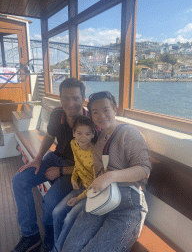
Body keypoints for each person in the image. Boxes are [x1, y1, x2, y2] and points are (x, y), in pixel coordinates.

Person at [61, 91, 152, 252]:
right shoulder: (99, 142)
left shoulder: (129, 133)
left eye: (106, 110)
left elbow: (144, 170)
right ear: (91, 116)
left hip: (128, 206)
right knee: (69, 247)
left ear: (115, 110)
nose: (101, 115)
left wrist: (111, 176)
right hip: (102, 201)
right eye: (95, 112)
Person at [11, 78, 91, 252]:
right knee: (19, 180)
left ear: (84, 98)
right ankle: (30, 235)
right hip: (54, 158)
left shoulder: (91, 123)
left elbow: (90, 165)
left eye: (76, 98)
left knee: (50, 203)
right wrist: (38, 158)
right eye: (65, 98)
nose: (71, 104)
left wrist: (61, 171)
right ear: (60, 99)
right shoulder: (57, 114)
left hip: (75, 169)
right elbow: (49, 136)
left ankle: (49, 240)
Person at [52, 115, 96, 252]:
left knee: (68, 219)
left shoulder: (95, 154)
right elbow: (77, 164)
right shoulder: (74, 143)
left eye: (88, 134)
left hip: (92, 192)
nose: (83, 137)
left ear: (93, 135)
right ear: (73, 133)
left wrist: (79, 197)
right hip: (80, 186)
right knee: (56, 213)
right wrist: (73, 179)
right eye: (79, 133)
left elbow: (95, 183)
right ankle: (57, 245)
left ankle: (57, 249)